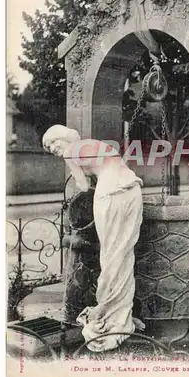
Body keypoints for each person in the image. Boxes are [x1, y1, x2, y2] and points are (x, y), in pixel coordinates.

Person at [42, 124, 144, 352]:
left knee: (111, 256)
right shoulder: (96, 145)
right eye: (50, 148)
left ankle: (110, 314)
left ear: (64, 138)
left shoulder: (72, 151)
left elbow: (83, 185)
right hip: (133, 189)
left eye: (54, 143)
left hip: (110, 195)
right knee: (124, 254)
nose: (54, 150)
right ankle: (122, 315)